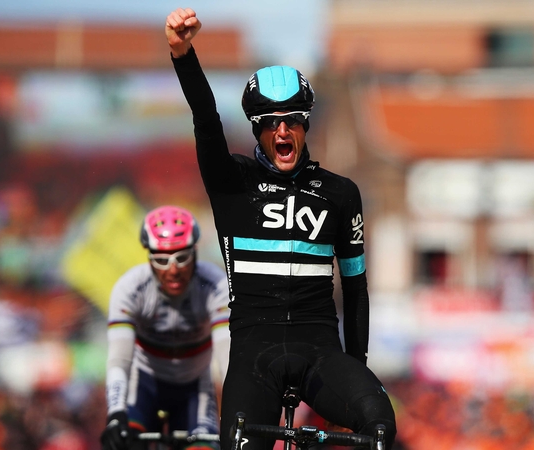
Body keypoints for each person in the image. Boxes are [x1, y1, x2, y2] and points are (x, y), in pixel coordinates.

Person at [165, 8, 397, 450]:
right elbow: (206, 118)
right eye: (271, 122)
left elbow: (357, 288)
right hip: (255, 354)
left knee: (380, 424)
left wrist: (358, 368)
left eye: (292, 119)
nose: (283, 129)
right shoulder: (232, 182)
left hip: (321, 351)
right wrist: (183, 53)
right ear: (258, 129)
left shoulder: (340, 193)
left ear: (306, 124)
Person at [101, 205, 230, 450]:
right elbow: (119, 359)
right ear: (148, 258)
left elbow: (228, 358)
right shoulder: (129, 288)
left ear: (195, 252)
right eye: (161, 260)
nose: (173, 271)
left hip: (195, 388)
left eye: (182, 258)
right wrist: (115, 413)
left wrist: (238, 408)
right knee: (121, 445)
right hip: (144, 384)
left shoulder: (216, 284)